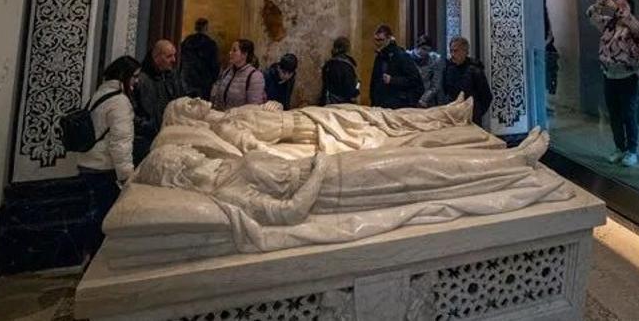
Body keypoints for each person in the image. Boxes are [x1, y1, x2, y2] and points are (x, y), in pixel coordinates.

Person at [134, 128, 552, 226]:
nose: (189, 150)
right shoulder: (226, 191)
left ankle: (511, 157)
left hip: (333, 166)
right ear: (177, 171)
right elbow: (290, 213)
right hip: (335, 184)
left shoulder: (225, 169)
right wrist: (316, 171)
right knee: (426, 172)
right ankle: (515, 164)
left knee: (420, 157)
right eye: (181, 154)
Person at [77, 56, 141, 259]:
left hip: (88, 160)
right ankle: (95, 257)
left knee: (94, 210)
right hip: (102, 165)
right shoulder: (120, 102)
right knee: (104, 215)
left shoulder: (100, 93)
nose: (136, 82)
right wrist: (126, 175)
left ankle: (89, 253)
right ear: (125, 76)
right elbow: (120, 142)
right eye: (135, 77)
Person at [586, 0, 639, 168]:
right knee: (615, 115)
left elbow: (637, 36)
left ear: (630, 9)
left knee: (629, 114)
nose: (618, 8)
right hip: (610, 75)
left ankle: (632, 150)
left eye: (623, 5)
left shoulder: (635, 26)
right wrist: (600, 4)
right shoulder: (609, 25)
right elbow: (590, 15)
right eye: (616, 4)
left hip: (628, 76)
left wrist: (620, 11)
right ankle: (619, 147)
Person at [133, 40, 186, 162]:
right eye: (169, 56)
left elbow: (180, 100)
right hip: (146, 139)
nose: (173, 60)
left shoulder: (171, 76)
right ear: (156, 57)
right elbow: (131, 110)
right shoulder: (140, 80)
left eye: (174, 55)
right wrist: (148, 126)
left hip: (168, 135)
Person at [442, 36, 493, 126]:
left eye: (456, 51)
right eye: (451, 51)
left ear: (465, 52)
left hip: (471, 117)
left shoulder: (475, 70)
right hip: (453, 115)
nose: (452, 54)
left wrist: (477, 112)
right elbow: (445, 90)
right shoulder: (448, 68)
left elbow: (486, 96)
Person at [369, 24, 423, 109]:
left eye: (380, 40)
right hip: (381, 105)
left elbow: (415, 81)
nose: (377, 43)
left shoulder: (401, 56)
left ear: (388, 39)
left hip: (398, 106)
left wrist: (393, 80)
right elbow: (374, 82)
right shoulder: (380, 56)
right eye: (376, 40)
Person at [211, 39, 266, 110]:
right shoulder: (228, 71)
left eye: (234, 50)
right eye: (231, 50)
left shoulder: (254, 76)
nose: (230, 53)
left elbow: (254, 108)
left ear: (244, 54)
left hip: (240, 119)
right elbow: (218, 97)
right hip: (222, 117)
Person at [180, 18, 220, 99]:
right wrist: (213, 80)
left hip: (187, 81)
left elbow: (181, 60)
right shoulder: (210, 44)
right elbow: (215, 65)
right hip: (204, 83)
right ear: (206, 27)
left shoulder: (186, 42)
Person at [320, 37, 360, 105]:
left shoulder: (328, 65)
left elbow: (325, 84)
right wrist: (358, 86)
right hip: (345, 104)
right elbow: (353, 88)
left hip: (328, 102)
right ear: (348, 49)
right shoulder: (348, 66)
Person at [409, 34, 445, 108]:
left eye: (428, 50)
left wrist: (424, 99)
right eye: (423, 49)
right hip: (409, 98)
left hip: (427, 100)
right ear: (417, 47)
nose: (425, 52)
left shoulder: (434, 59)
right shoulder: (407, 57)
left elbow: (436, 84)